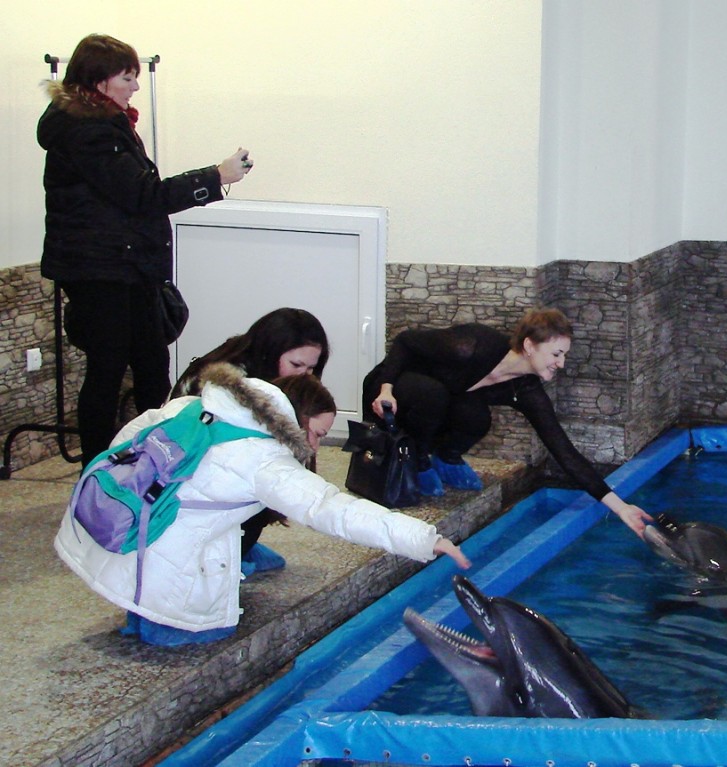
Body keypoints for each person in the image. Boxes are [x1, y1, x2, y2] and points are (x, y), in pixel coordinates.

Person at [54, 363, 471, 647]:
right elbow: (334, 510)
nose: (315, 445)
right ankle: (157, 626)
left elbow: (127, 441)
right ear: (294, 419)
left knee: (162, 581)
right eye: (316, 433)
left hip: (125, 533)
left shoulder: (198, 406)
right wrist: (424, 538)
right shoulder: (265, 462)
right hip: (166, 557)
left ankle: (140, 619)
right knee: (204, 633)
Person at [37, 33, 254, 468]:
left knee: (151, 363)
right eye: (127, 77)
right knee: (109, 369)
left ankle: (158, 457)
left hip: (123, 265)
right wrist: (215, 176)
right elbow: (144, 195)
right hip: (101, 270)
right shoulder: (88, 131)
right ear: (99, 81)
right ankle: (98, 471)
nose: (136, 86)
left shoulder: (103, 125)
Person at [363, 308, 653, 536]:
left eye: (564, 355)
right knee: (434, 394)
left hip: (435, 403)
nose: (561, 363)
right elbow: (405, 341)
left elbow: (563, 450)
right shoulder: (472, 345)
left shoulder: (525, 389)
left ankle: (444, 457)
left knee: (477, 417)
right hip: (393, 389)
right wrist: (386, 388)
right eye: (556, 354)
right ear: (529, 345)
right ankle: (418, 460)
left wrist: (621, 507)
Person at [170, 308, 331, 573]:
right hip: (188, 478)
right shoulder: (235, 384)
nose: (304, 376)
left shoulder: (253, 363)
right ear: (270, 352)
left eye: (311, 368)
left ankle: (240, 543)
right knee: (262, 483)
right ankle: (230, 552)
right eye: (296, 365)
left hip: (204, 467)